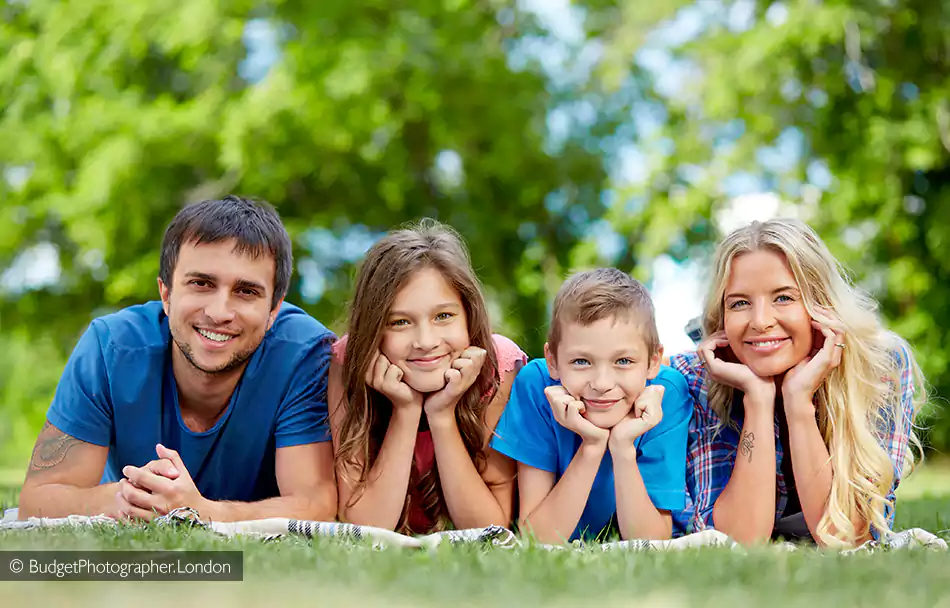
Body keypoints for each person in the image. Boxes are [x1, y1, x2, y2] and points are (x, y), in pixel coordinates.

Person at [17, 195, 338, 523]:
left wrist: (203, 511)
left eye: (246, 291)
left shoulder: (304, 355)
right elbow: (37, 500)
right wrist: (128, 497)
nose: (219, 312)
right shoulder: (111, 348)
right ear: (166, 294)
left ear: (274, 310)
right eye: (201, 283)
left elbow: (316, 504)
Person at [671, 218, 924, 547]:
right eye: (740, 303)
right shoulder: (696, 378)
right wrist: (757, 399)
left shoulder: (878, 365)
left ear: (821, 304)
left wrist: (798, 401)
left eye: (783, 298)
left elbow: (848, 539)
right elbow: (737, 541)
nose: (761, 321)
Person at [328, 219, 527, 534]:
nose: (425, 341)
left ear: (469, 315)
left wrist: (442, 414)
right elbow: (366, 528)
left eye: (443, 316)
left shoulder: (498, 366)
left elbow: (487, 528)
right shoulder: (348, 362)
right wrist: (406, 411)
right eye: (400, 322)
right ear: (373, 329)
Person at [490, 268, 692, 544]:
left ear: (653, 361)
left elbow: (651, 541)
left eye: (623, 361)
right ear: (553, 360)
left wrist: (623, 448)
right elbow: (536, 540)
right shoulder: (536, 386)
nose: (602, 384)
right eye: (581, 362)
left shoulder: (666, 395)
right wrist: (592, 446)